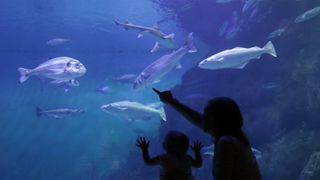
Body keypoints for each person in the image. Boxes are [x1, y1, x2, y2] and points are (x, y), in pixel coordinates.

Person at [153, 88, 262, 180]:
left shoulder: (226, 142)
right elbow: (197, 118)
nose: (202, 116)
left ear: (216, 119)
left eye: (206, 114)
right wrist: (171, 101)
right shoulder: (235, 134)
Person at [136, 130, 203, 180]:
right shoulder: (188, 158)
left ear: (166, 146)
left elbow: (148, 162)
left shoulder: (163, 158)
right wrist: (197, 152)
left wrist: (144, 149)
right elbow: (198, 164)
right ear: (186, 146)